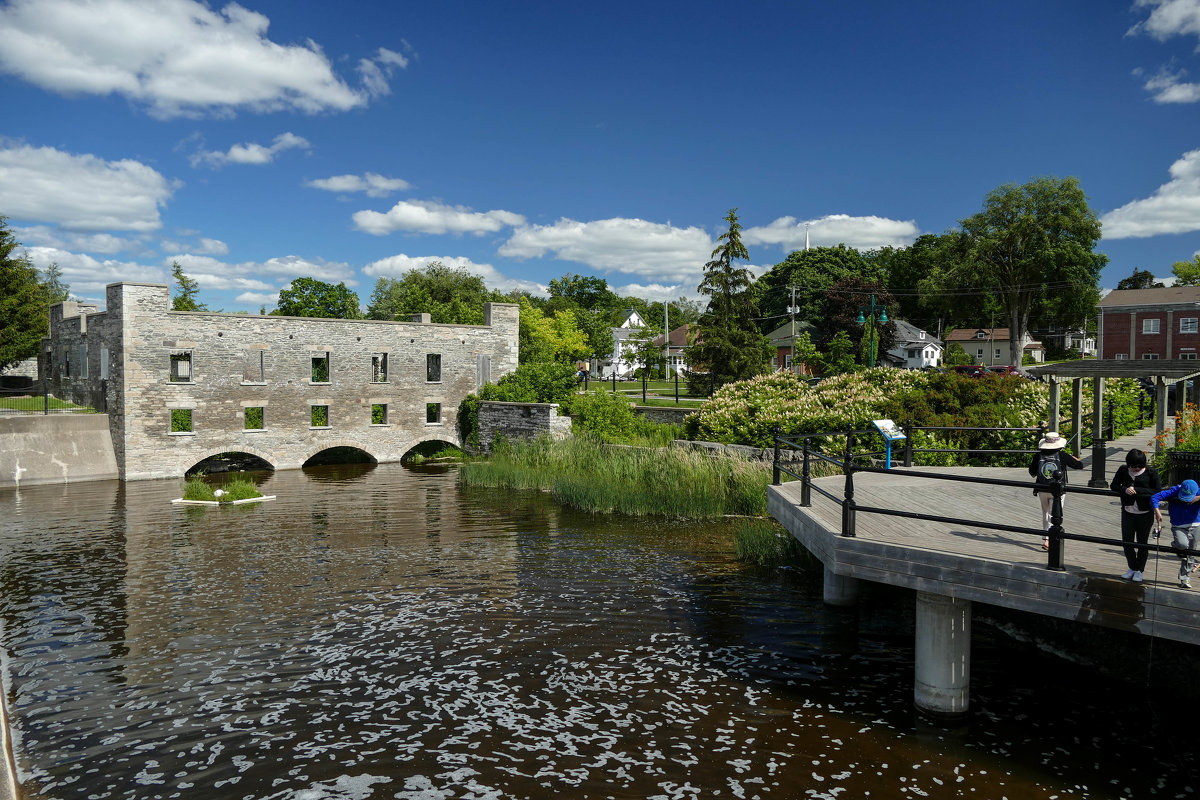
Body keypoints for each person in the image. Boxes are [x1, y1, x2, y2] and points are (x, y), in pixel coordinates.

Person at [1109, 449, 1161, 582]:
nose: (1136, 469)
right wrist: (1124, 489)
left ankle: (1139, 570)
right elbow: (1114, 485)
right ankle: (1132, 567)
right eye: (1133, 466)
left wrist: (1137, 490)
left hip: (1145, 513)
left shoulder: (1151, 473)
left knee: (1142, 543)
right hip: (1128, 511)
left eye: (1139, 466)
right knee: (1127, 541)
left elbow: (1157, 491)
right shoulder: (1123, 470)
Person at [1028, 431, 1083, 550]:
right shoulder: (1062, 455)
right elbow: (1080, 465)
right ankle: (1052, 539)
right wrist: (1074, 458)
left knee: (1046, 514)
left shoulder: (1038, 455)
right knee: (1055, 514)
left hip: (1042, 488)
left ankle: (1046, 539)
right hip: (1057, 489)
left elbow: (1032, 472)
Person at [1150, 479, 1200, 588]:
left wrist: (1199, 498)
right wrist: (1157, 511)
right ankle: (1176, 545)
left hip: (1195, 524)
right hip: (1178, 525)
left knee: (1190, 553)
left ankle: (1185, 578)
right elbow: (1155, 497)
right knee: (1182, 545)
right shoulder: (1175, 490)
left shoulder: (1198, 491)